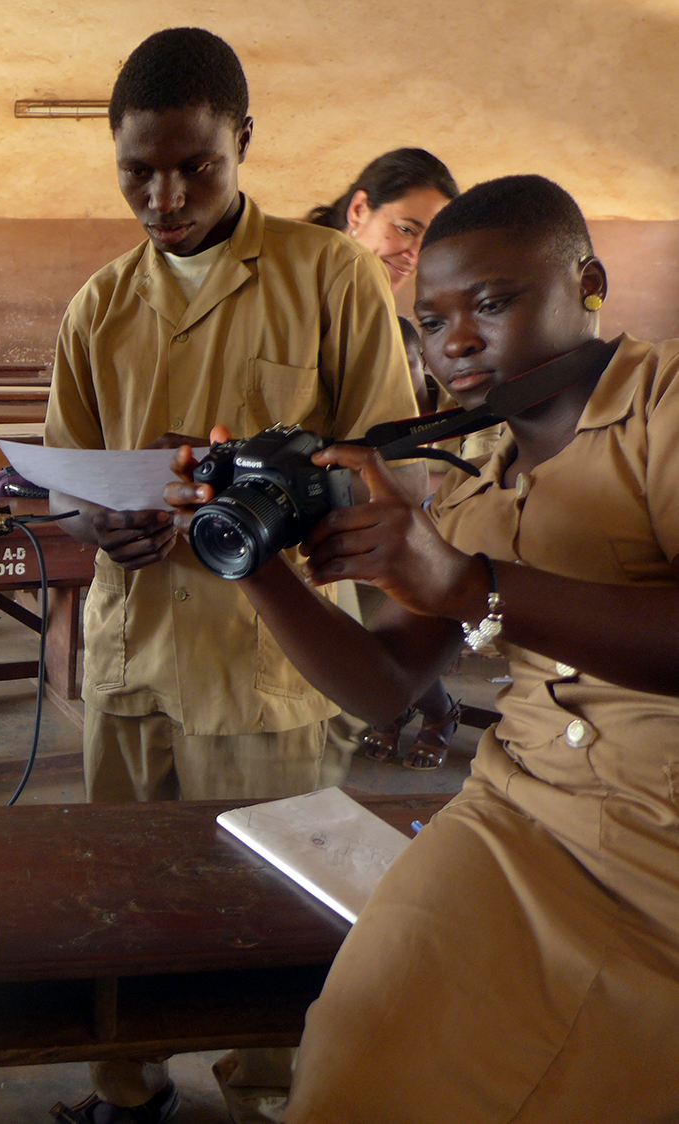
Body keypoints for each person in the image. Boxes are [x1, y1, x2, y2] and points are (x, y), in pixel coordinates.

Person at [163, 175, 679, 1121]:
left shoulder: (663, 405)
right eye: (432, 321)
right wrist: (247, 560)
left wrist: (473, 588)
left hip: (664, 851)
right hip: (515, 818)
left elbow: (473, 598)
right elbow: (382, 684)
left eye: (492, 303)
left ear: (588, 282)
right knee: (356, 1059)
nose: (458, 343)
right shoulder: (469, 482)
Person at [42, 27, 421, 1124]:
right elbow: (71, 471)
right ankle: (127, 1082)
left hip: (273, 656)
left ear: (241, 141)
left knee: (279, 904)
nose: (163, 194)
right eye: (137, 171)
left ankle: (265, 1093)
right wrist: (98, 518)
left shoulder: (330, 277)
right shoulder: (98, 307)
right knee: (118, 893)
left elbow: (391, 468)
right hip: (130, 654)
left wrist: (267, 500)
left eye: (193, 164)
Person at [351, 316, 463, 771]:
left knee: (408, 634)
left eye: (408, 364)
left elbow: (477, 466)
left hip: (443, 542)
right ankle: (395, 710)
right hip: (366, 547)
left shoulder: (461, 405)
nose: (398, 376)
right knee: (369, 638)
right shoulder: (365, 416)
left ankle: (439, 713)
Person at [305, 148, 458, 292]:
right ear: (358, 210)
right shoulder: (287, 292)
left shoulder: (389, 319)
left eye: (430, 241)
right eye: (406, 230)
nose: (416, 257)